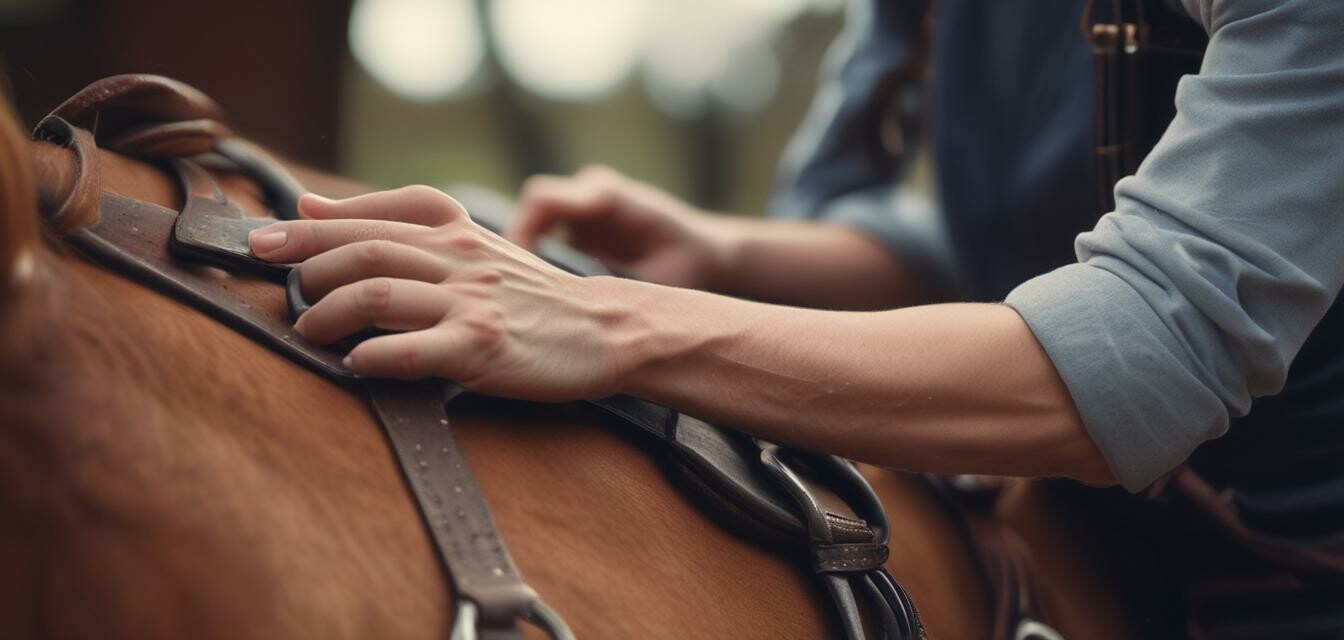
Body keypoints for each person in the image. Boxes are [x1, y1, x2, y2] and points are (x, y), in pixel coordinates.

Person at [248, 0, 1344, 631]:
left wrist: (615, 324)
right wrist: (727, 254)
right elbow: (1011, 248)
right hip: (1081, 538)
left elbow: (1151, 348)